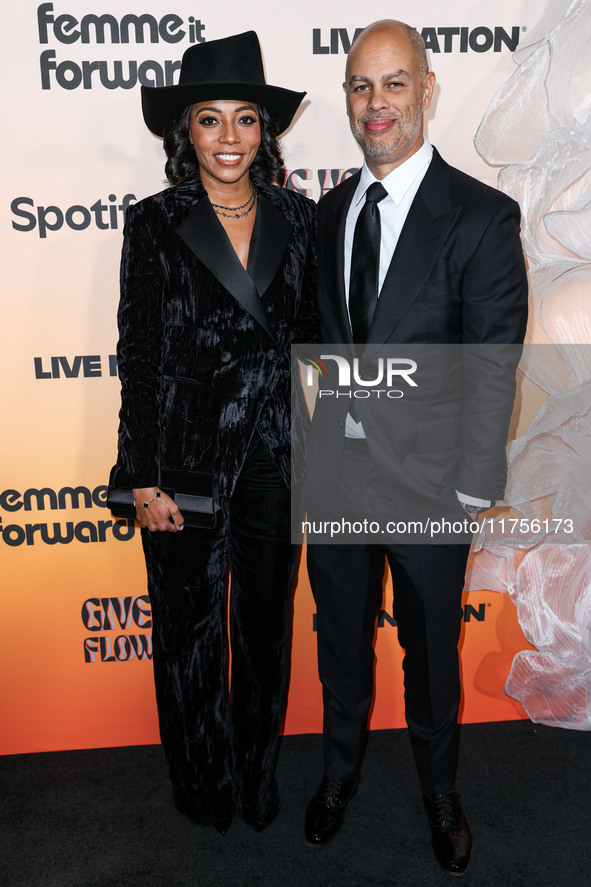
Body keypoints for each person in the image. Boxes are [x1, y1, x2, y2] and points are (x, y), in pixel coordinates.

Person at [303, 20, 528, 875]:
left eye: (393, 84)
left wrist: (473, 489)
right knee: (340, 644)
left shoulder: (479, 215)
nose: (376, 104)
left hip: (434, 489)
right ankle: (337, 776)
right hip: (338, 485)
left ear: (426, 91)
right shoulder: (330, 213)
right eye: (361, 86)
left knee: (430, 655)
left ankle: (439, 795)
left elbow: (493, 366)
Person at [113, 31, 318, 835]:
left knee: (265, 630)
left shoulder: (301, 220)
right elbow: (139, 350)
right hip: (184, 458)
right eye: (209, 120)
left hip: (277, 458)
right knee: (189, 632)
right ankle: (202, 782)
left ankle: (256, 774)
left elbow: (315, 344)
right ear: (184, 132)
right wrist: (139, 475)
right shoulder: (155, 223)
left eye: (244, 119)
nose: (228, 138)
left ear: (264, 130)